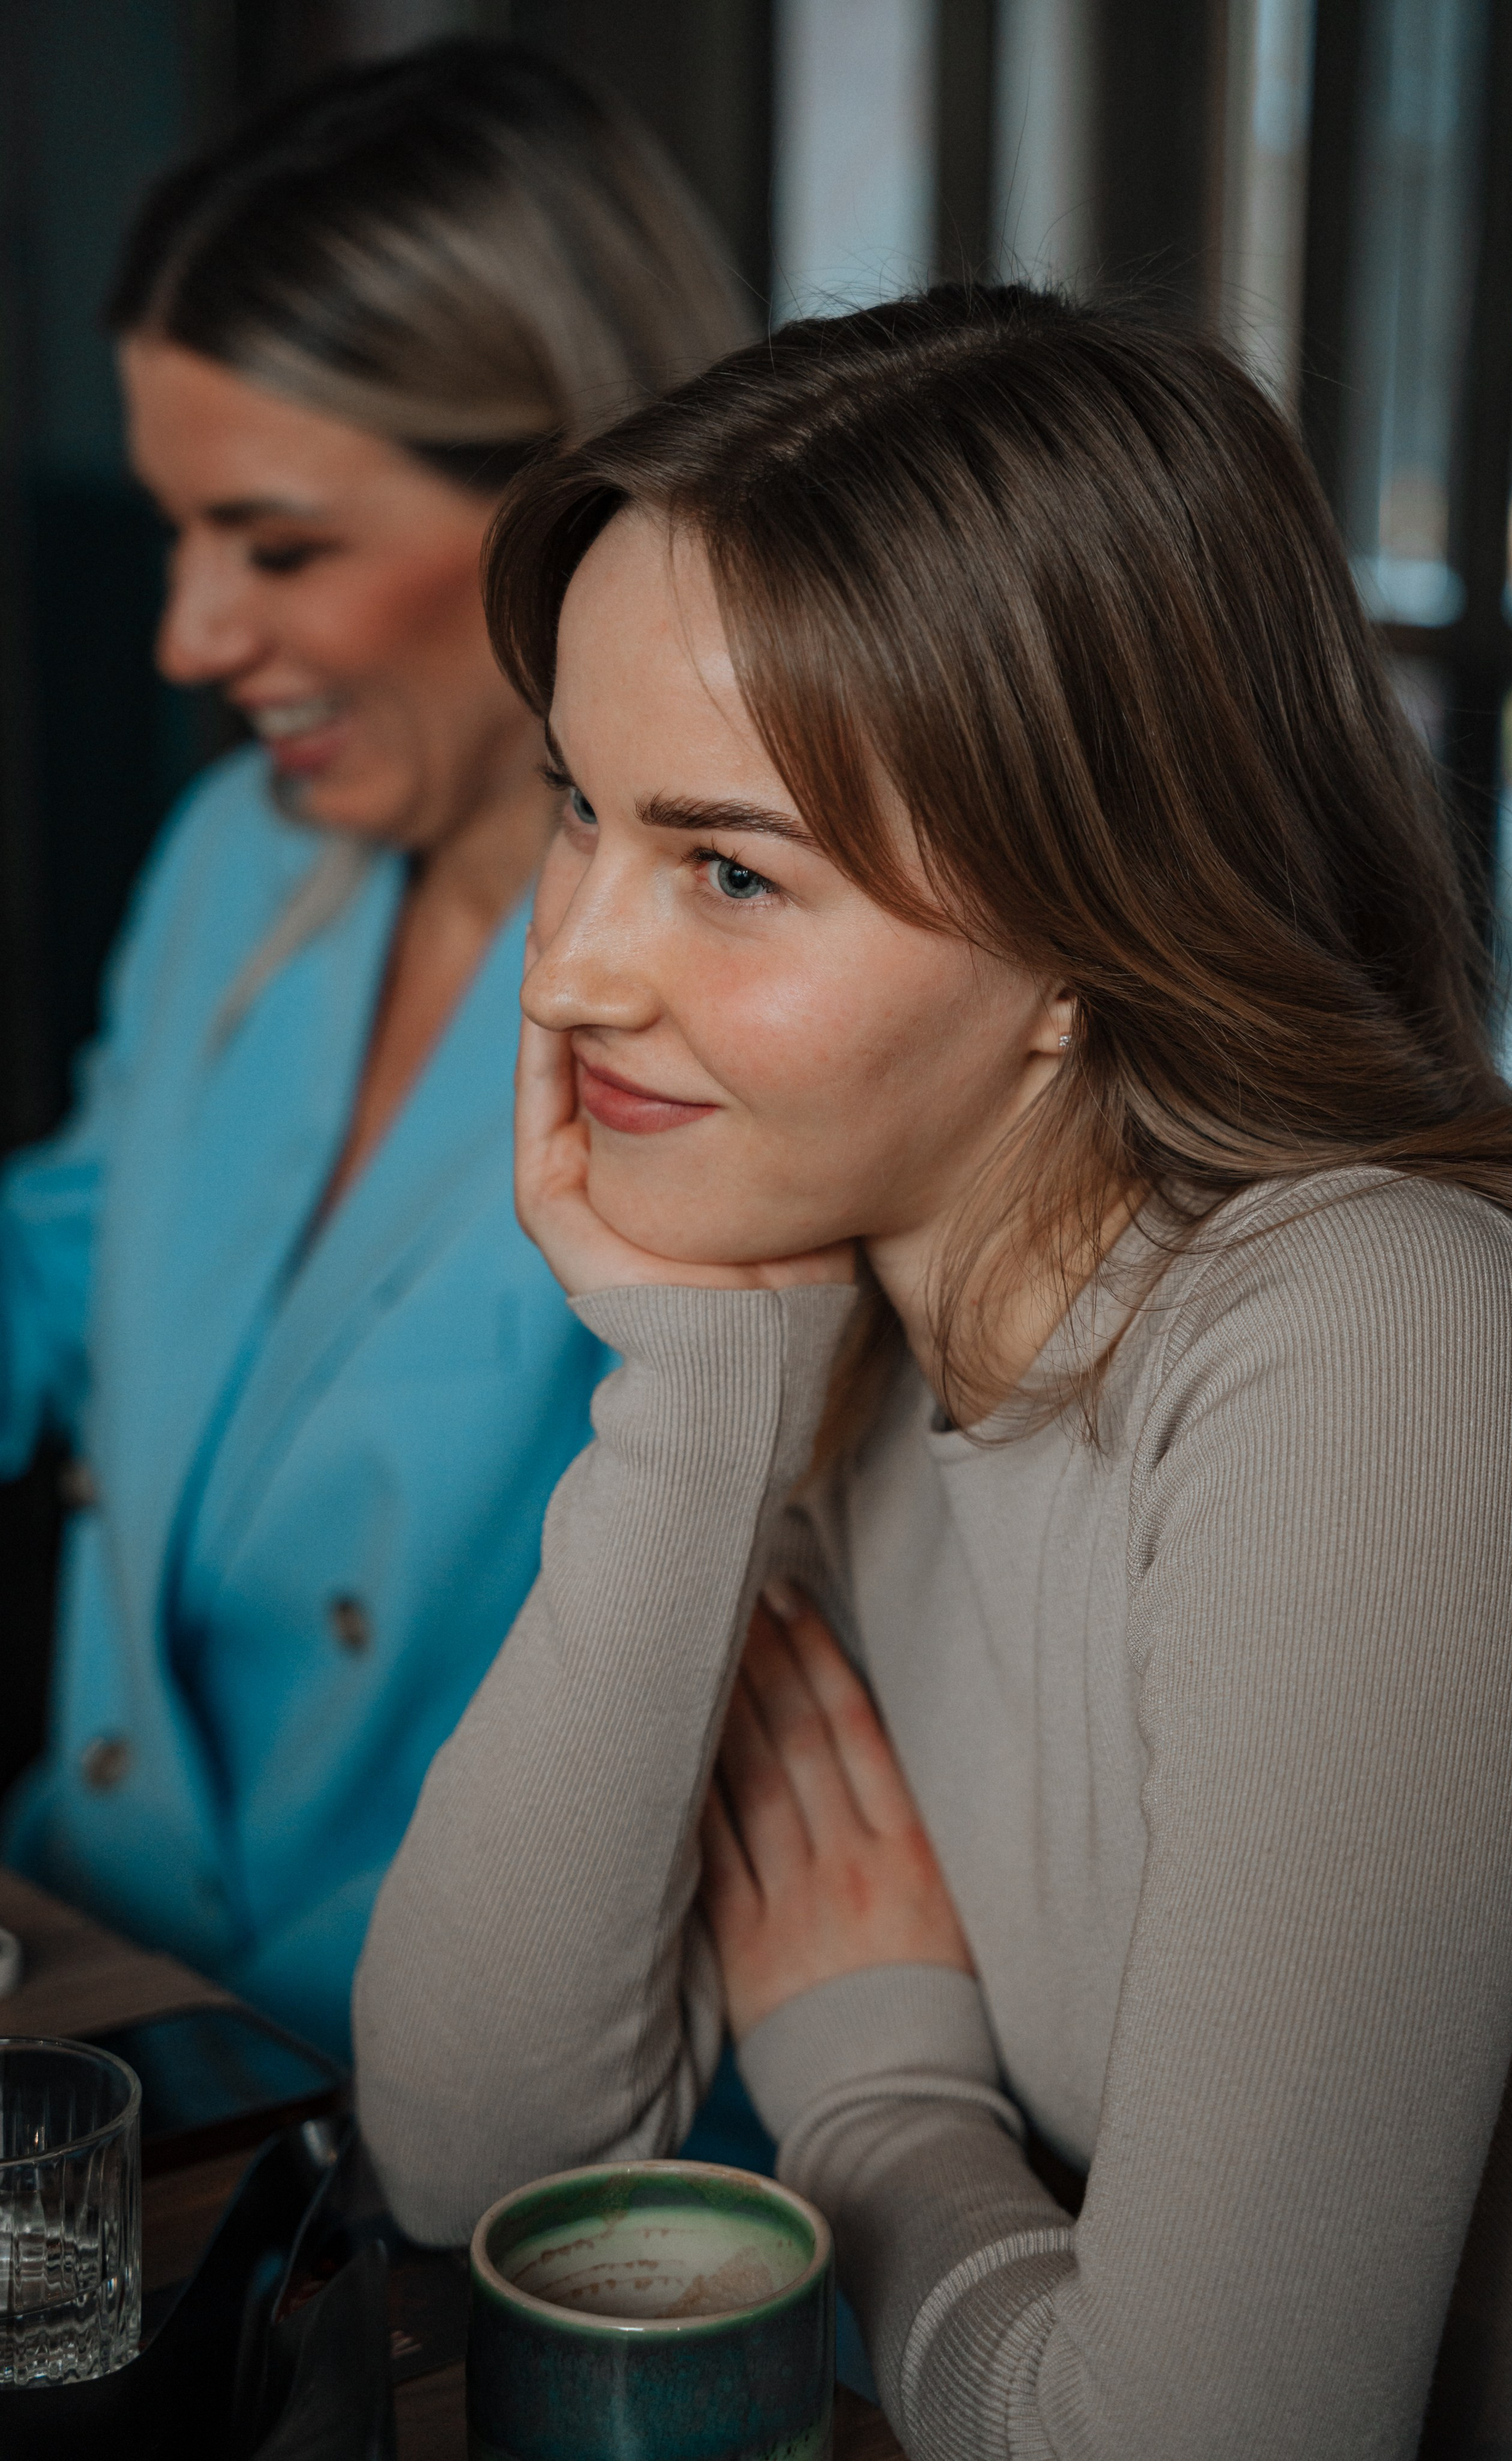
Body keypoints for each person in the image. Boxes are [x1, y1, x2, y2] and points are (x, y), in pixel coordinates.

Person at [354, 287, 1512, 2455]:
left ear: (1080, 933)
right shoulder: (835, 1292)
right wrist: (694, 1379)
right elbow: (472, 2165)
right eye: (582, 805)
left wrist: (874, 2101)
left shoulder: (1373, 1344)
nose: (566, 970)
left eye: (729, 870)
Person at [0, 39, 750, 2066]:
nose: (186, 637)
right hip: (94, 1976)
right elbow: (69, 1254)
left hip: (487, 2110)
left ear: (567, 508)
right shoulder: (240, 860)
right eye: (176, 536)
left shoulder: (752, 999)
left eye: (279, 545)